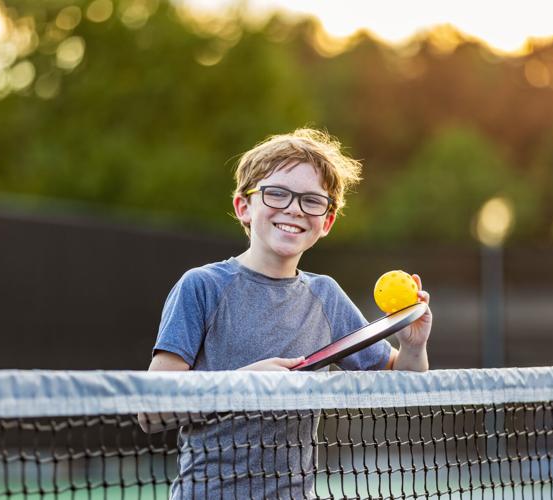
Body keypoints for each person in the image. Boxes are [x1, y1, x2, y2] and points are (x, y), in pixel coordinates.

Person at [146, 128, 433, 499]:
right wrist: (243, 383)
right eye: (277, 193)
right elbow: (151, 412)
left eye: (312, 201)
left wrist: (412, 345)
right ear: (244, 207)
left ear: (326, 222)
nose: (294, 208)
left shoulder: (326, 296)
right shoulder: (201, 287)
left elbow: (405, 390)